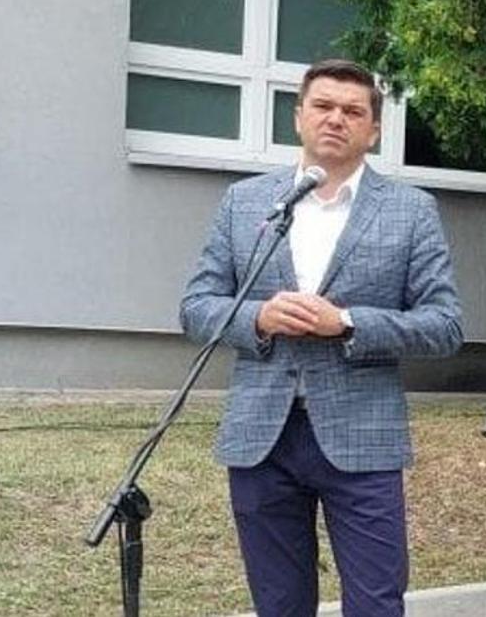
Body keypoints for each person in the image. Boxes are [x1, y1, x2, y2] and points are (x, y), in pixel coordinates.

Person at [180, 59, 465, 617]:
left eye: (353, 111)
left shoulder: (411, 211)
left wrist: (350, 323)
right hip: (263, 437)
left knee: (376, 604)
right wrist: (259, 317)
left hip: (363, 438)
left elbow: (445, 324)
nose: (336, 119)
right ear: (298, 117)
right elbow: (196, 308)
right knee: (280, 605)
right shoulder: (246, 203)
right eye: (323, 106)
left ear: (374, 131)